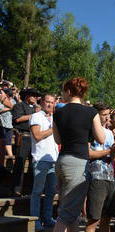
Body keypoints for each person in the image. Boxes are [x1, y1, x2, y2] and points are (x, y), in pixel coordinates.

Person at [53, 77, 105, 232]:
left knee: (71, 211)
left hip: (62, 161)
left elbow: (57, 139)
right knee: (67, 213)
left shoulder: (58, 112)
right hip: (77, 164)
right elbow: (101, 139)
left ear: (69, 91)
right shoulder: (91, 112)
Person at [86, 103, 115, 232]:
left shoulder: (109, 133)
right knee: (93, 220)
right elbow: (88, 153)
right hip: (95, 177)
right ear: (95, 116)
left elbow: (112, 155)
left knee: (107, 219)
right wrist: (109, 151)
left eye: (108, 114)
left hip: (110, 176)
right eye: (104, 115)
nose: (107, 117)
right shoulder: (89, 130)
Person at [29, 94, 58, 231]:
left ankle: (47, 218)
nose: (50, 104)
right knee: (37, 192)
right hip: (40, 159)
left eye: (52, 102)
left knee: (51, 192)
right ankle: (35, 221)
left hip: (54, 159)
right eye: (47, 102)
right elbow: (37, 135)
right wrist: (53, 129)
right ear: (42, 102)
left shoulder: (54, 118)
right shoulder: (36, 116)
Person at [11, 88, 39, 195]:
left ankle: (29, 189)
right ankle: (16, 188)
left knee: (33, 164)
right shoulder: (19, 105)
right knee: (20, 163)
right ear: (27, 96)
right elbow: (17, 119)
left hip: (34, 137)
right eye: (33, 95)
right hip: (23, 136)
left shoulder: (35, 108)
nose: (36, 98)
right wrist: (34, 115)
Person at [0, 88, 15, 166]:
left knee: (8, 142)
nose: (10, 97)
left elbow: (15, 107)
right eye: (8, 95)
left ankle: (11, 158)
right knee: (2, 143)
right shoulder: (1, 101)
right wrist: (9, 108)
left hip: (9, 125)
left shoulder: (12, 100)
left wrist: (9, 107)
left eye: (10, 95)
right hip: (2, 125)